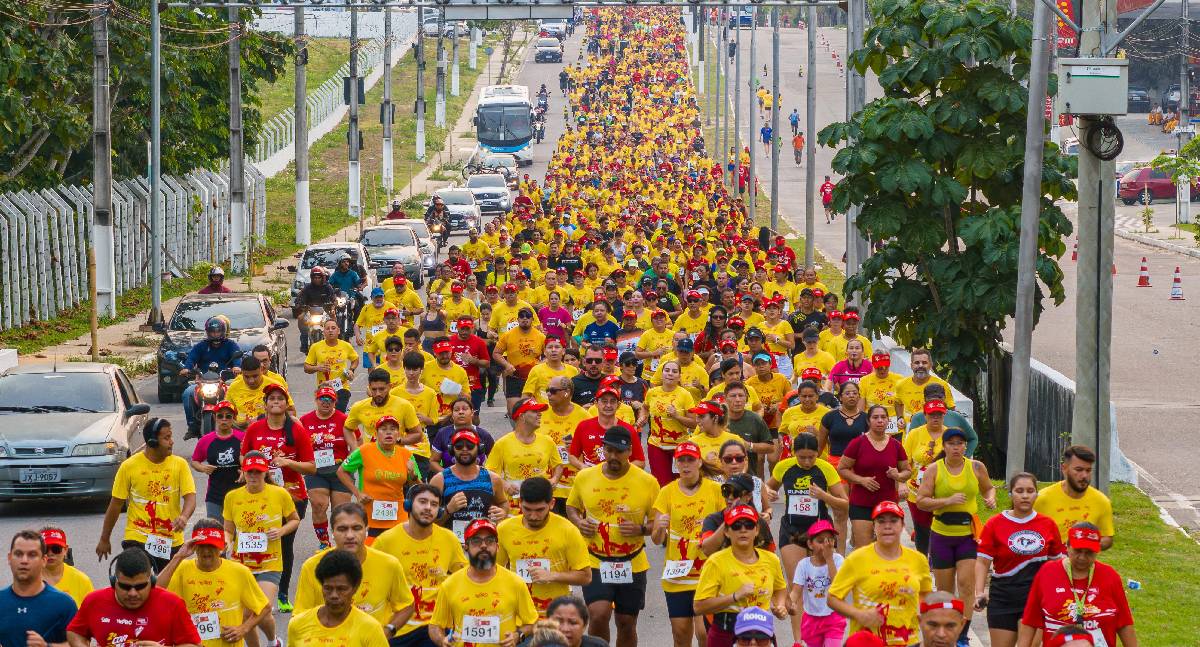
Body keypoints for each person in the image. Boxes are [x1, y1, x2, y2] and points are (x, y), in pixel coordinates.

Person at [566, 426, 661, 647]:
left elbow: (656, 523)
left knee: (626, 622)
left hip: (632, 561)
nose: (613, 457)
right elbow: (571, 507)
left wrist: (640, 530)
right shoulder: (585, 477)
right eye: (608, 450)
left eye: (619, 451)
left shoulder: (647, 482)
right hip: (596, 560)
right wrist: (580, 523)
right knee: (598, 614)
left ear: (629, 451)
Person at [916, 428, 997, 646]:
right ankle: (946, 631)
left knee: (966, 584)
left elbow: (989, 489)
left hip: (967, 536)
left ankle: (962, 634)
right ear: (944, 446)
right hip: (942, 534)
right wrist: (946, 501)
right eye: (951, 443)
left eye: (960, 443)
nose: (955, 447)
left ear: (966, 446)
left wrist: (990, 499)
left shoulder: (976, 467)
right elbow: (921, 501)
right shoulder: (934, 469)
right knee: (945, 590)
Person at [240, 384, 317, 611]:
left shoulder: (297, 430)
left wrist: (288, 463)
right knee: (257, 543)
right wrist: (251, 467)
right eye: (271, 398)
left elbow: (311, 467)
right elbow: (244, 455)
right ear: (265, 404)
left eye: (280, 399)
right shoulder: (255, 429)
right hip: (259, 496)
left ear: (286, 404)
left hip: (292, 497)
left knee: (283, 545)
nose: (275, 402)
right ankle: (255, 591)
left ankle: (282, 594)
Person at [294, 503, 414, 640]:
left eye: (356, 528)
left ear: (366, 530)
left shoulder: (389, 564)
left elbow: (407, 605)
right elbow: (300, 617)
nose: (350, 535)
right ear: (332, 532)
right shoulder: (312, 567)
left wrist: (387, 631)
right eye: (342, 529)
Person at [649, 441, 726, 647]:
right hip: (677, 575)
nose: (686, 465)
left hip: (707, 573)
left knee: (704, 634)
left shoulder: (716, 490)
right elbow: (656, 540)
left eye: (690, 460)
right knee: (681, 635)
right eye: (681, 460)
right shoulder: (667, 492)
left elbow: (729, 527)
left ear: (699, 462)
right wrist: (659, 528)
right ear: (675, 464)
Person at [976, 472, 1066, 647]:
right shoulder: (995, 524)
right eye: (1019, 490)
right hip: (1002, 598)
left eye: (1030, 490)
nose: (1025, 495)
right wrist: (978, 592)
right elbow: (982, 561)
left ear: (1036, 494)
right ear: (1010, 494)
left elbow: (1057, 564)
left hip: (1035, 600)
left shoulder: (1048, 524)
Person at [827, 501, 933, 647]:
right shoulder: (857, 559)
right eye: (881, 521)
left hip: (908, 641)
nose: (887, 526)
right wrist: (859, 615)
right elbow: (833, 599)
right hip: (868, 642)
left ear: (902, 525)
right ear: (874, 526)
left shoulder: (918, 560)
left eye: (894, 521)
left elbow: (925, 596)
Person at [97, 418, 197, 571]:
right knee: (134, 580)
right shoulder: (129, 466)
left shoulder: (180, 465)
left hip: (170, 541)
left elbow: (190, 498)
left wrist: (184, 516)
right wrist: (105, 538)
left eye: (171, 437)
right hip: (138, 537)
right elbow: (116, 505)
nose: (172, 442)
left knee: (169, 590)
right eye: (166, 438)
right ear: (152, 442)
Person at [373, 484, 467, 646]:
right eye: (422, 502)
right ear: (408, 505)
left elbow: (465, 577)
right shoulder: (386, 541)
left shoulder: (449, 539)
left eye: (434, 504)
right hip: (398, 627)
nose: (428, 508)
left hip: (435, 627)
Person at [1017, 523, 1137, 647]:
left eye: (1089, 552)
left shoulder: (1110, 576)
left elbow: (1124, 624)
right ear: (1067, 547)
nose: (1082, 557)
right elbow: (1030, 621)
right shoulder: (1047, 573)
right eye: (1078, 550)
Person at [222, 451, 301, 639]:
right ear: (243, 472)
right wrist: (226, 541)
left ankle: (273, 641)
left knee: (260, 609)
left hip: (270, 562)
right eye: (250, 472)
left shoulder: (279, 494)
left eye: (258, 472)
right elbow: (229, 529)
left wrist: (281, 531)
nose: (254, 476)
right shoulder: (232, 497)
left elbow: (294, 520)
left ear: (265, 472)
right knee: (246, 614)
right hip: (241, 564)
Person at [157, 520, 272, 647]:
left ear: (222, 547)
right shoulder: (182, 569)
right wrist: (178, 556)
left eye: (211, 546)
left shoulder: (239, 572)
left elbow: (264, 607)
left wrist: (243, 629)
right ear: (194, 547)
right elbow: (155, 592)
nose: (206, 551)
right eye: (201, 546)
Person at [429, 519, 539, 647]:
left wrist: (518, 636)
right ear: (466, 547)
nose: (483, 546)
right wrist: (442, 641)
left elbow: (533, 622)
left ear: (497, 547)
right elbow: (435, 625)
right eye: (476, 541)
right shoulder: (450, 584)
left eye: (489, 541)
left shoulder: (515, 583)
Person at [693, 504, 788, 647]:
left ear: (756, 530)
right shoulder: (715, 562)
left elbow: (780, 588)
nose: (743, 530)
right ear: (726, 531)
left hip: (761, 633)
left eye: (749, 525)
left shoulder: (771, 559)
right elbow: (699, 606)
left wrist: (780, 606)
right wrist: (734, 596)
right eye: (736, 525)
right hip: (726, 631)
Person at [67, 548, 201, 647]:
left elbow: (193, 644)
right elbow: (75, 632)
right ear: (114, 582)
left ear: (152, 582)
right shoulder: (94, 601)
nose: (132, 593)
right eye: (125, 587)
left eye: (140, 586)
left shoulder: (172, 604)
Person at [497, 477, 592, 614]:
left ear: (552, 504)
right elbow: (495, 571)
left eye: (540, 510)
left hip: (555, 615)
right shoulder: (504, 529)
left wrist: (552, 576)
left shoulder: (568, 530)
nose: (533, 516)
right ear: (519, 503)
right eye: (527, 509)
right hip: (518, 613)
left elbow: (585, 576)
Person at [836, 406, 910, 551]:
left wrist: (898, 476)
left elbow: (907, 471)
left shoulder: (896, 445)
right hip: (861, 503)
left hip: (888, 504)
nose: (880, 421)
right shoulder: (858, 443)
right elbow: (842, 468)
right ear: (868, 421)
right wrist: (861, 480)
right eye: (875, 417)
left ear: (888, 420)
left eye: (883, 417)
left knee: (887, 549)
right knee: (864, 549)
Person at [287, 549, 390, 647]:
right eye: (328, 588)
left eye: (342, 589)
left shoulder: (370, 629)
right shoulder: (297, 625)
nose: (334, 595)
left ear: (355, 588)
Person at [338, 416, 418, 535]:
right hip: (369, 514)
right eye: (383, 429)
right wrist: (357, 493)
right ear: (376, 433)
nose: (389, 432)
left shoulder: (406, 454)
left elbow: (417, 487)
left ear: (399, 434)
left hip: (398, 515)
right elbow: (341, 471)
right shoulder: (364, 450)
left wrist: (413, 475)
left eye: (393, 429)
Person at [429, 428, 509, 542]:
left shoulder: (493, 479)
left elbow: (503, 503)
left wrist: (503, 512)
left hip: (483, 546)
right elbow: (429, 521)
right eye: (459, 446)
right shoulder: (439, 480)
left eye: (470, 446)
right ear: (452, 449)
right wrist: (448, 510)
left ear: (479, 448)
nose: (465, 449)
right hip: (451, 546)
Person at [3, 529, 77, 647]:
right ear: (9, 558)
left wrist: (47, 646)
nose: (24, 561)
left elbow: (79, 644)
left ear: (44, 560)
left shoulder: (64, 604)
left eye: (32, 555)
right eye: (18, 554)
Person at [1034, 445, 1115, 551]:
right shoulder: (1042, 499)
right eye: (1079, 470)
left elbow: (1107, 537)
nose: (1084, 475)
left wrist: (1086, 545)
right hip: (1048, 564)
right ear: (1064, 469)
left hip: (1083, 565)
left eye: (1088, 470)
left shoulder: (1101, 501)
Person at [301, 386, 353, 548]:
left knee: (340, 511)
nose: (326, 403)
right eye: (322, 399)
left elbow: (357, 444)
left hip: (340, 470)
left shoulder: (344, 419)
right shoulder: (305, 420)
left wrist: (349, 463)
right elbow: (298, 445)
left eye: (329, 400)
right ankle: (324, 542)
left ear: (335, 402)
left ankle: (340, 542)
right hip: (315, 470)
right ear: (316, 400)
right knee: (318, 505)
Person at [902, 399, 953, 555]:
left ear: (944, 416)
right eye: (932, 415)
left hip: (943, 491)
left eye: (939, 414)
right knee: (922, 527)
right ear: (925, 415)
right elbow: (905, 462)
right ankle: (923, 559)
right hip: (916, 491)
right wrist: (901, 483)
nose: (935, 418)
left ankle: (938, 557)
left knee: (939, 526)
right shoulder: (914, 434)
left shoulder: (950, 434)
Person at [787, 520, 847, 647]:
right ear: (810, 544)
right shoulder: (803, 564)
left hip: (834, 616)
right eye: (820, 541)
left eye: (829, 540)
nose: (825, 545)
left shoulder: (838, 560)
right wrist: (790, 603)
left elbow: (838, 587)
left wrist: (829, 558)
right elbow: (796, 591)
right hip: (811, 619)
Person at [180, 316, 242, 437]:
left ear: (223, 331)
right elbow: (192, 358)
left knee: (236, 392)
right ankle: (192, 425)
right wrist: (187, 368)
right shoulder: (201, 346)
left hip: (224, 381)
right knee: (187, 393)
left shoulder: (230, 344)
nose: (215, 334)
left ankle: (237, 422)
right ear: (208, 332)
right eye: (212, 331)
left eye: (218, 331)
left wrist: (236, 367)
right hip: (203, 381)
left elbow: (237, 357)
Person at [490, 398, 564, 500]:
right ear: (522, 416)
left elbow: (558, 465)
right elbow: (490, 473)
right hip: (513, 510)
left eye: (539, 411)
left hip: (540, 506)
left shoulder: (548, 441)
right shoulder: (502, 444)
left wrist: (555, 479)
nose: (540, 414)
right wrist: (505, 485)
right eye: (534, 411)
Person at [644, 360, 699, 485]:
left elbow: (694, 423)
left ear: (679, 376)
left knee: (679, 484)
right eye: (667, 370)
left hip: (678, 446)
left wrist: (677, 416)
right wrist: (642, 417)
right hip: (656, 445)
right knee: (662, 483)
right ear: (661, 373)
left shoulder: (685, 395)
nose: (670, 374)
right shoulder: (652, 393)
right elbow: (645, 407)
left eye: (674, 371)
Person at [189, 401, 244, 523]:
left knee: (239, 534)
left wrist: (245, 470)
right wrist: (203, 468)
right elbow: (195, 461)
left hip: (240, 494)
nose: (224, 420)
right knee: (216, 533)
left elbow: (251, 458)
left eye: (228, 416)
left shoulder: (242, 437)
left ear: (233, 418)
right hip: (215, 495)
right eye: (220, 416)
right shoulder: (206, 440)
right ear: (215, 417)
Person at [494, 311, 547, 413]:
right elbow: (496, 353)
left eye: (528, 317)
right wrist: (506, 365)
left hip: (533, 377)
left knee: (533, 410)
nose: (525, 319)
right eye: (521, 317)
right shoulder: (508, 335)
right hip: (514, 376)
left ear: (532, 320)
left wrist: (542, 364)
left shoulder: (541, 337)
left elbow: (548, 356)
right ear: (518, 320)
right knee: (513, 411)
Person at [304, 319, 359, 412]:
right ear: (323, 331)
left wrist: (351, 370)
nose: (330, 330)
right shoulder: (316, 347)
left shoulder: (346, 346)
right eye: (327, 328)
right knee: (326, 413)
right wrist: (317, 368)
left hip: (342, 387)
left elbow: (355, 359)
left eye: (333, 328)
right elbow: (306, 367)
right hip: (324, 388)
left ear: (338, 331)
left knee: (339, 412)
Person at [39, 527, 93, 607]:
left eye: (56, 549)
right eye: (45, 549)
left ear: (65, 550)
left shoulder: (82, 581)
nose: (50, 554)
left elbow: (93, 613)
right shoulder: (28, 581)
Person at [818, 381, 867, 463]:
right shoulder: (829, 417)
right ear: (840, 397)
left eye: (855, 393)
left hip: (859, 464)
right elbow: (819, 447)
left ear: (859, 397)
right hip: (835, 464)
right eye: (847, 393)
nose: (851, 396)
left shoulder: (866, 418)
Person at [296, 268, 337, 353]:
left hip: (325, 312)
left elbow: (334, 299)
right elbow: (300, 299)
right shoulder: (307, 288)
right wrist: (301, 306)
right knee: (302, 323)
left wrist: (332, 308)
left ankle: (335, 343)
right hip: (309, 312)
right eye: (315, 278)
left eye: (319, 277)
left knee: (334, 323)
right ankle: (304, 345)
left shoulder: (328, 287)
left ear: (322, 278)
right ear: (312, 278)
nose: (317, 279)